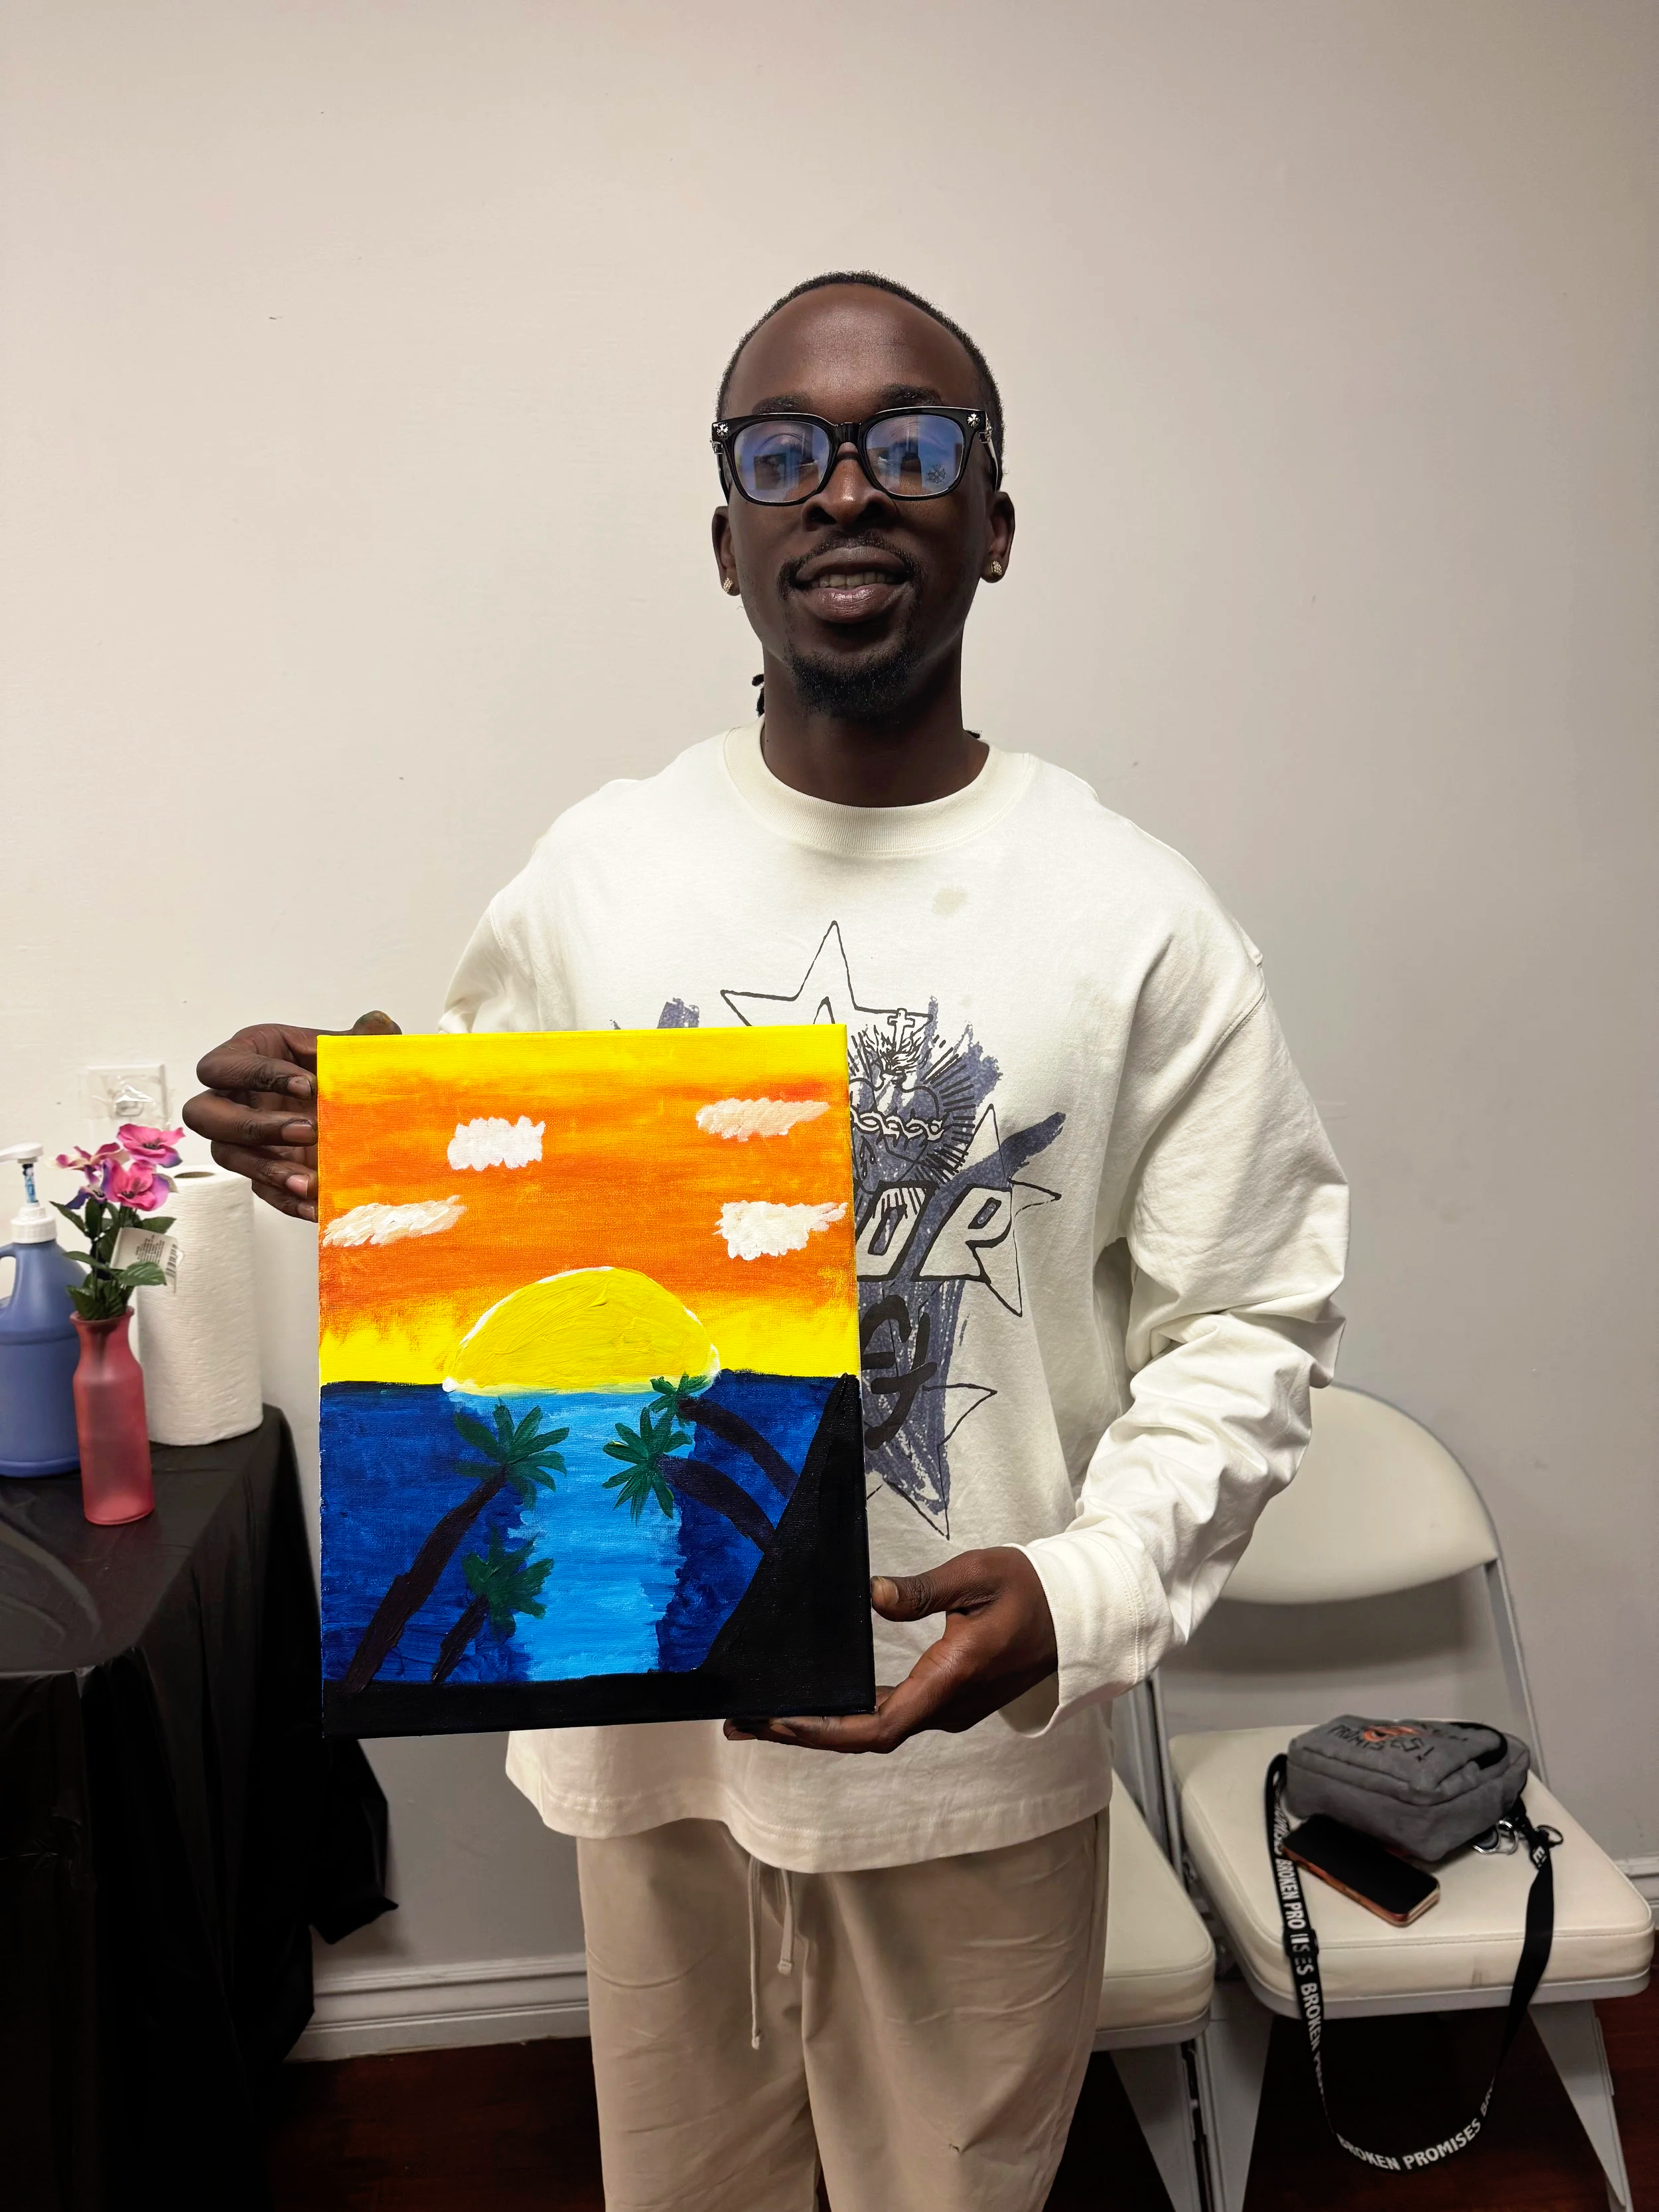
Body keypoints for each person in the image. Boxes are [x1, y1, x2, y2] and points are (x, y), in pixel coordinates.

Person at [185, 271, 1348, 2212]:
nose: (843, 491)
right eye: (781, 452)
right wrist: (364, 1142)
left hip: (973, 1776)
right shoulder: (599, 873)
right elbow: (513, 1241)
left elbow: (1252, 1313)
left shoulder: (1136, 919)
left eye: (909, 443)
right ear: (723, 530)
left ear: (992, 515)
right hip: (656, 1754)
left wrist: (1081, 1588)